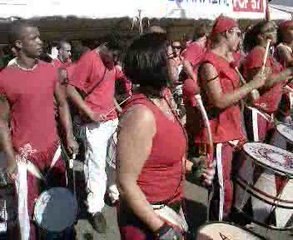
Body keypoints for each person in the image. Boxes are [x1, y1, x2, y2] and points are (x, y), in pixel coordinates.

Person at [116, 32, 214, 240]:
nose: (179, 60)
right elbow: (125, 184)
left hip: (171, 209)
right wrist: (160, 228)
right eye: (173, 55)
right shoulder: (141, 115)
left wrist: (195, 168)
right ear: (155, 64)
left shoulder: (165, 98)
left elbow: (165, 157)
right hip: (146, 222)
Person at [0, 21, 78, 240]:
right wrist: (10, 158)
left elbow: (62, 104)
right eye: (33, 38)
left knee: (60, 205)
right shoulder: (4, 78)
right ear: (18, 43)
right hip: (26, 157)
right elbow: (2, 122)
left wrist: (70, 136)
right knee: (27, 216)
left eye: (39, 36)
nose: (40, 41)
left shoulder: (49, 70)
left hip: (53, 151)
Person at [196, 16, 267, 221]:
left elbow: (238, 95)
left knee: (235, 180)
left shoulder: (229, 61)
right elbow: (218, 100)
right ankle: (216, 228)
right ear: (227, 33)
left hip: (234, 129)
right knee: (221, 186)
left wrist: (249, 93)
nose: (240, 38)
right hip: (219, 133)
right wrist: (251, 86)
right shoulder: (209, 63)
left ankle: (227, 220)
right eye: (238, 33)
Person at [66, 41, 128, 233]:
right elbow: (70, 89)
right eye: (114, 55)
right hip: (95, 123)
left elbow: (110, 86)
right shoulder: (89, 59)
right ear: (105, 47)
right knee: (96, 164)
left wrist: (118, 107)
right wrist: (89, 112)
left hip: (111, 120)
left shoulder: (111, 62)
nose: (115, 60)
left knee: (114, 161)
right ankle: (94, 208)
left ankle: (114, 193)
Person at [242, 20, 293, 142]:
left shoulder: (267, 54)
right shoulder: (258, 52)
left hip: (268, 112)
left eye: (275, 28)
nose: (275, 31)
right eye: (270, 30)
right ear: (260, 36)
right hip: (258, 110)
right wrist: (289, 71)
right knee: (257, 151)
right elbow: (264, 82)